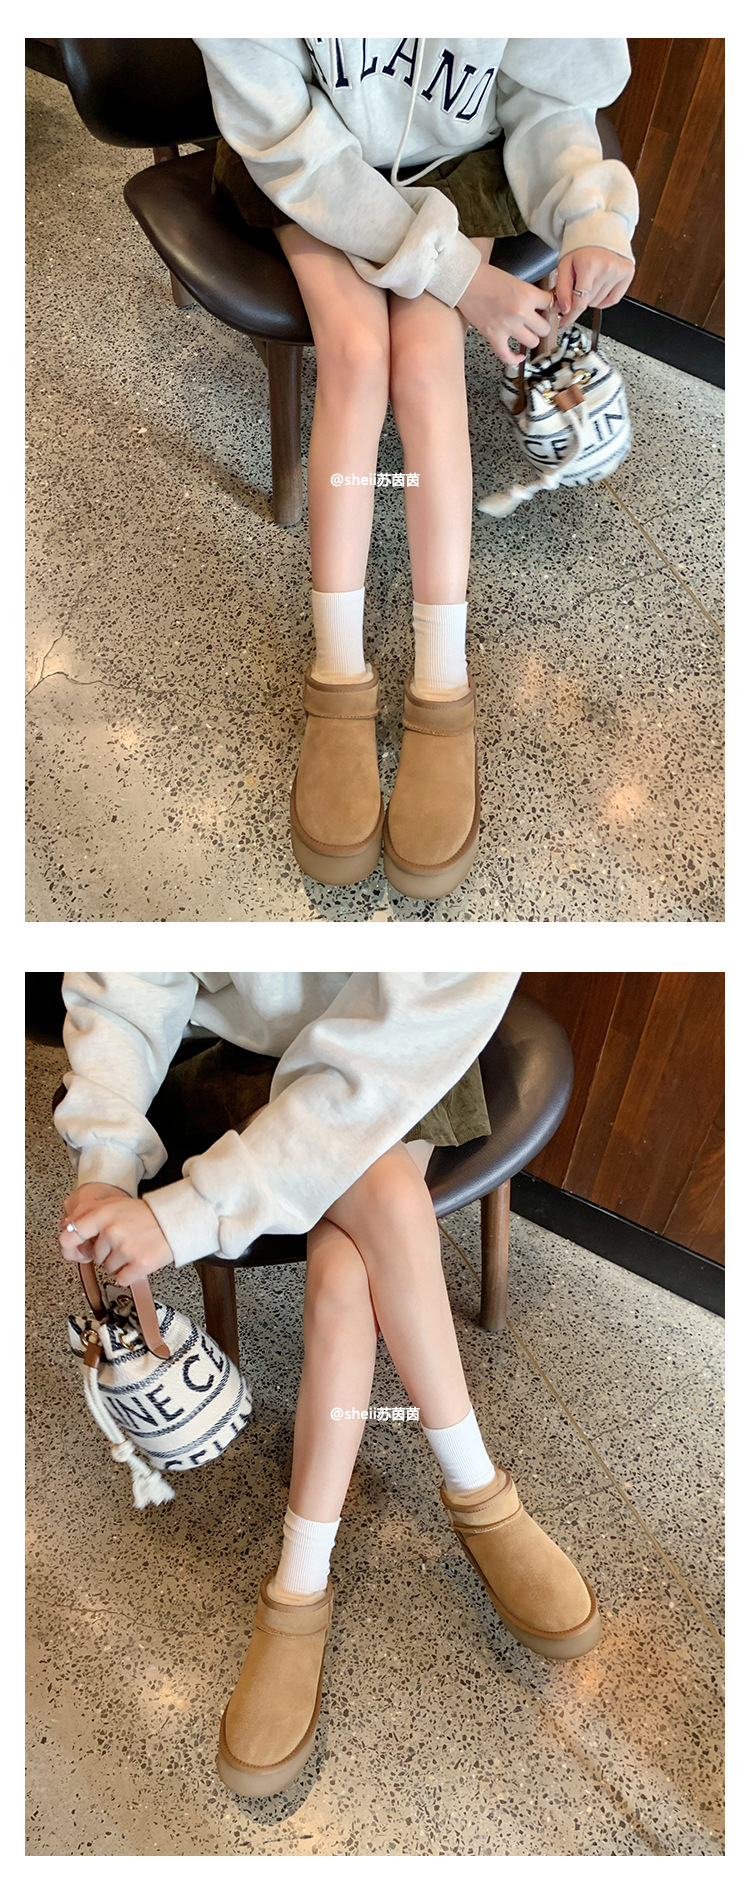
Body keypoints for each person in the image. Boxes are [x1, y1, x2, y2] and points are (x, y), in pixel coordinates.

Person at [56, 972, 601, 1800]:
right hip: (237, 1058)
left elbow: (401, 1034)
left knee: (354, 1246)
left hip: (401, 1048)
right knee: (367, 1228)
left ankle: (300, 1585)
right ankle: (477, 1493)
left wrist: (180, 1217)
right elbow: (129, 972)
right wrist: (106, 1158)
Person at [196, 37, 637, 898]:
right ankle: (337, 671)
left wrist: (591, 214)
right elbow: (291, 143)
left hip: (450, 166)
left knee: (429, 372)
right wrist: (463, 278)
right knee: (357, 357)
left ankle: (443, 678)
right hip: (310, 157)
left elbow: (547, 92)